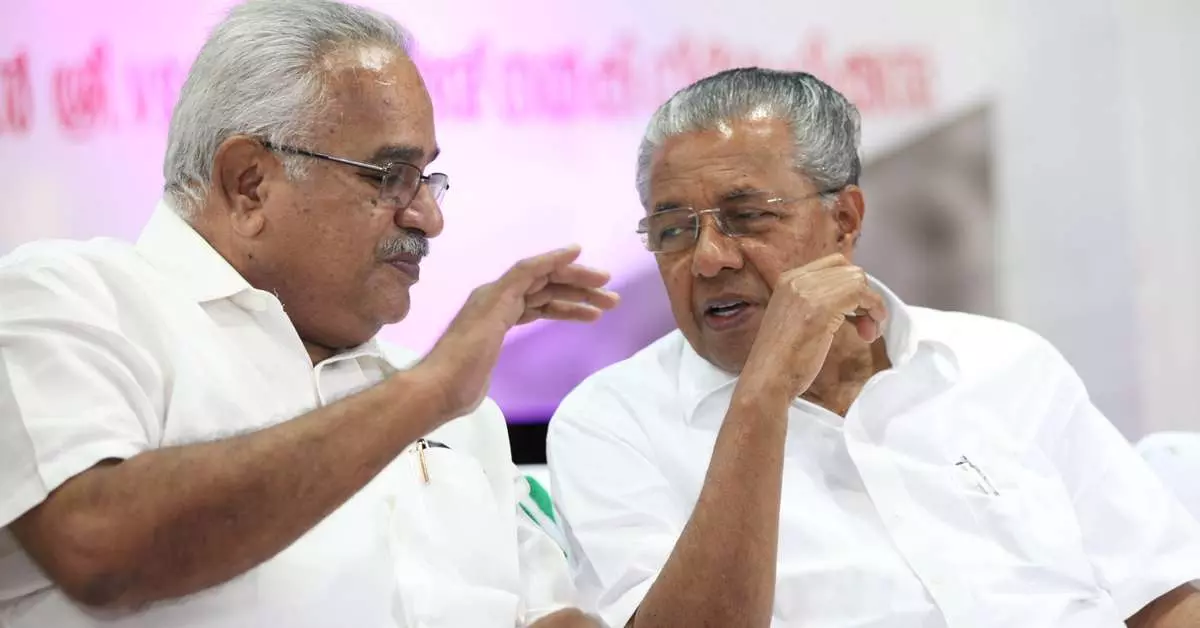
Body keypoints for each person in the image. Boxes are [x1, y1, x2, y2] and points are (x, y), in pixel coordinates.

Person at [0, 1, 615, 626]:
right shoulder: (69, 300)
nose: (429, 217)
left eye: (428, 178)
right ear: (249, 184)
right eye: (391, 176)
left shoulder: (460, 411)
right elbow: (97, 546)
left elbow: (548, 614)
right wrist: (425, 393)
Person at [547, 67, 1200, 628]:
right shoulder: (613, 421)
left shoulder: (1004, 363)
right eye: (673, 231)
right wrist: (763, 394)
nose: (710, 258)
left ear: (845, 220)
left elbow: (1160, 596)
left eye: (747, 217)